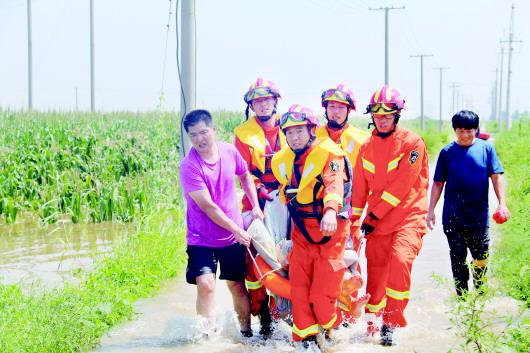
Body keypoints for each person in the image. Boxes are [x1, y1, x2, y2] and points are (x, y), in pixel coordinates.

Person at [351, 85, 429, 346]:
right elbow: (360, 189)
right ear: (371, 116)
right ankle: (373, 321)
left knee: (399, 261)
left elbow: (402, 186)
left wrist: (372, 217)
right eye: (377, 115)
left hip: (409, 216)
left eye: (387, 115)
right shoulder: (365, 148)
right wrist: (354, 223)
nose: (382, 119)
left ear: (397, 115)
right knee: (376, 271)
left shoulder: (413, 144)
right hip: (377, 221)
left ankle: (392, 323)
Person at [179, 109, 264, 338]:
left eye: (204, 132)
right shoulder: (189, 166)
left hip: (230, 238)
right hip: (201, 238)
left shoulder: (229, 151)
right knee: (206, 284)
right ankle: (207, 337)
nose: (199, 139)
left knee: (236, 285)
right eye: (193, 135)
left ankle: (246, 334)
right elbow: (209, 207)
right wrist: (237, 229)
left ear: (213, 131)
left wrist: (255, 206)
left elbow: (245, 175)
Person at [271, 104, 350, 348]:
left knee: (321, 292)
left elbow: (334, 184)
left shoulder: (330, 154)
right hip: (302, 232)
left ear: (311, 130)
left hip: (330, 231)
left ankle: (330, 327)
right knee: (300, 289)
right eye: (290, 133)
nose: (294, 137)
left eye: (299, 131)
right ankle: (304, 339)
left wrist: (329, 211)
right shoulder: (283, 160)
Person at [427, 110, 509, 296]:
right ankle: (462, 299)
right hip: (453, 217)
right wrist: (430, 210)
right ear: (455, 130)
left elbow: (496, 177)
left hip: (478, 216)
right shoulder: (447, 152)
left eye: (469, 130)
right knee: (458, 259)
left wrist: (502, 204)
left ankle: (480, 293)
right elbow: (438, 183)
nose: (465, 135)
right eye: (460, 131)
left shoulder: (486, 149)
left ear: (476, 129)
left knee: (481, 257)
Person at [234, 78, 285, 336]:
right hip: (255, 203)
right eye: (258, 101)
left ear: (275, 101)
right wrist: (260, 195)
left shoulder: (292, 125)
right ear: (252, 105)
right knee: (254, 264)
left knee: (285, 255)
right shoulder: (242, 134)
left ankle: (283, 311)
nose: (263, 105)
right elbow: (243, 173)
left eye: (267, 100)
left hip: (289, 201)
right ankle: (262, 313)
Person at [316, 84, 370, 254]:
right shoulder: (312, 136)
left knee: (351, 258)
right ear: (325, 108)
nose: (336, 112)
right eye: (331, 106)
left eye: (341, 107)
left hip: (353, 209)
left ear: (349, 110)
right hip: (316, 207)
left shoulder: (363, 140)